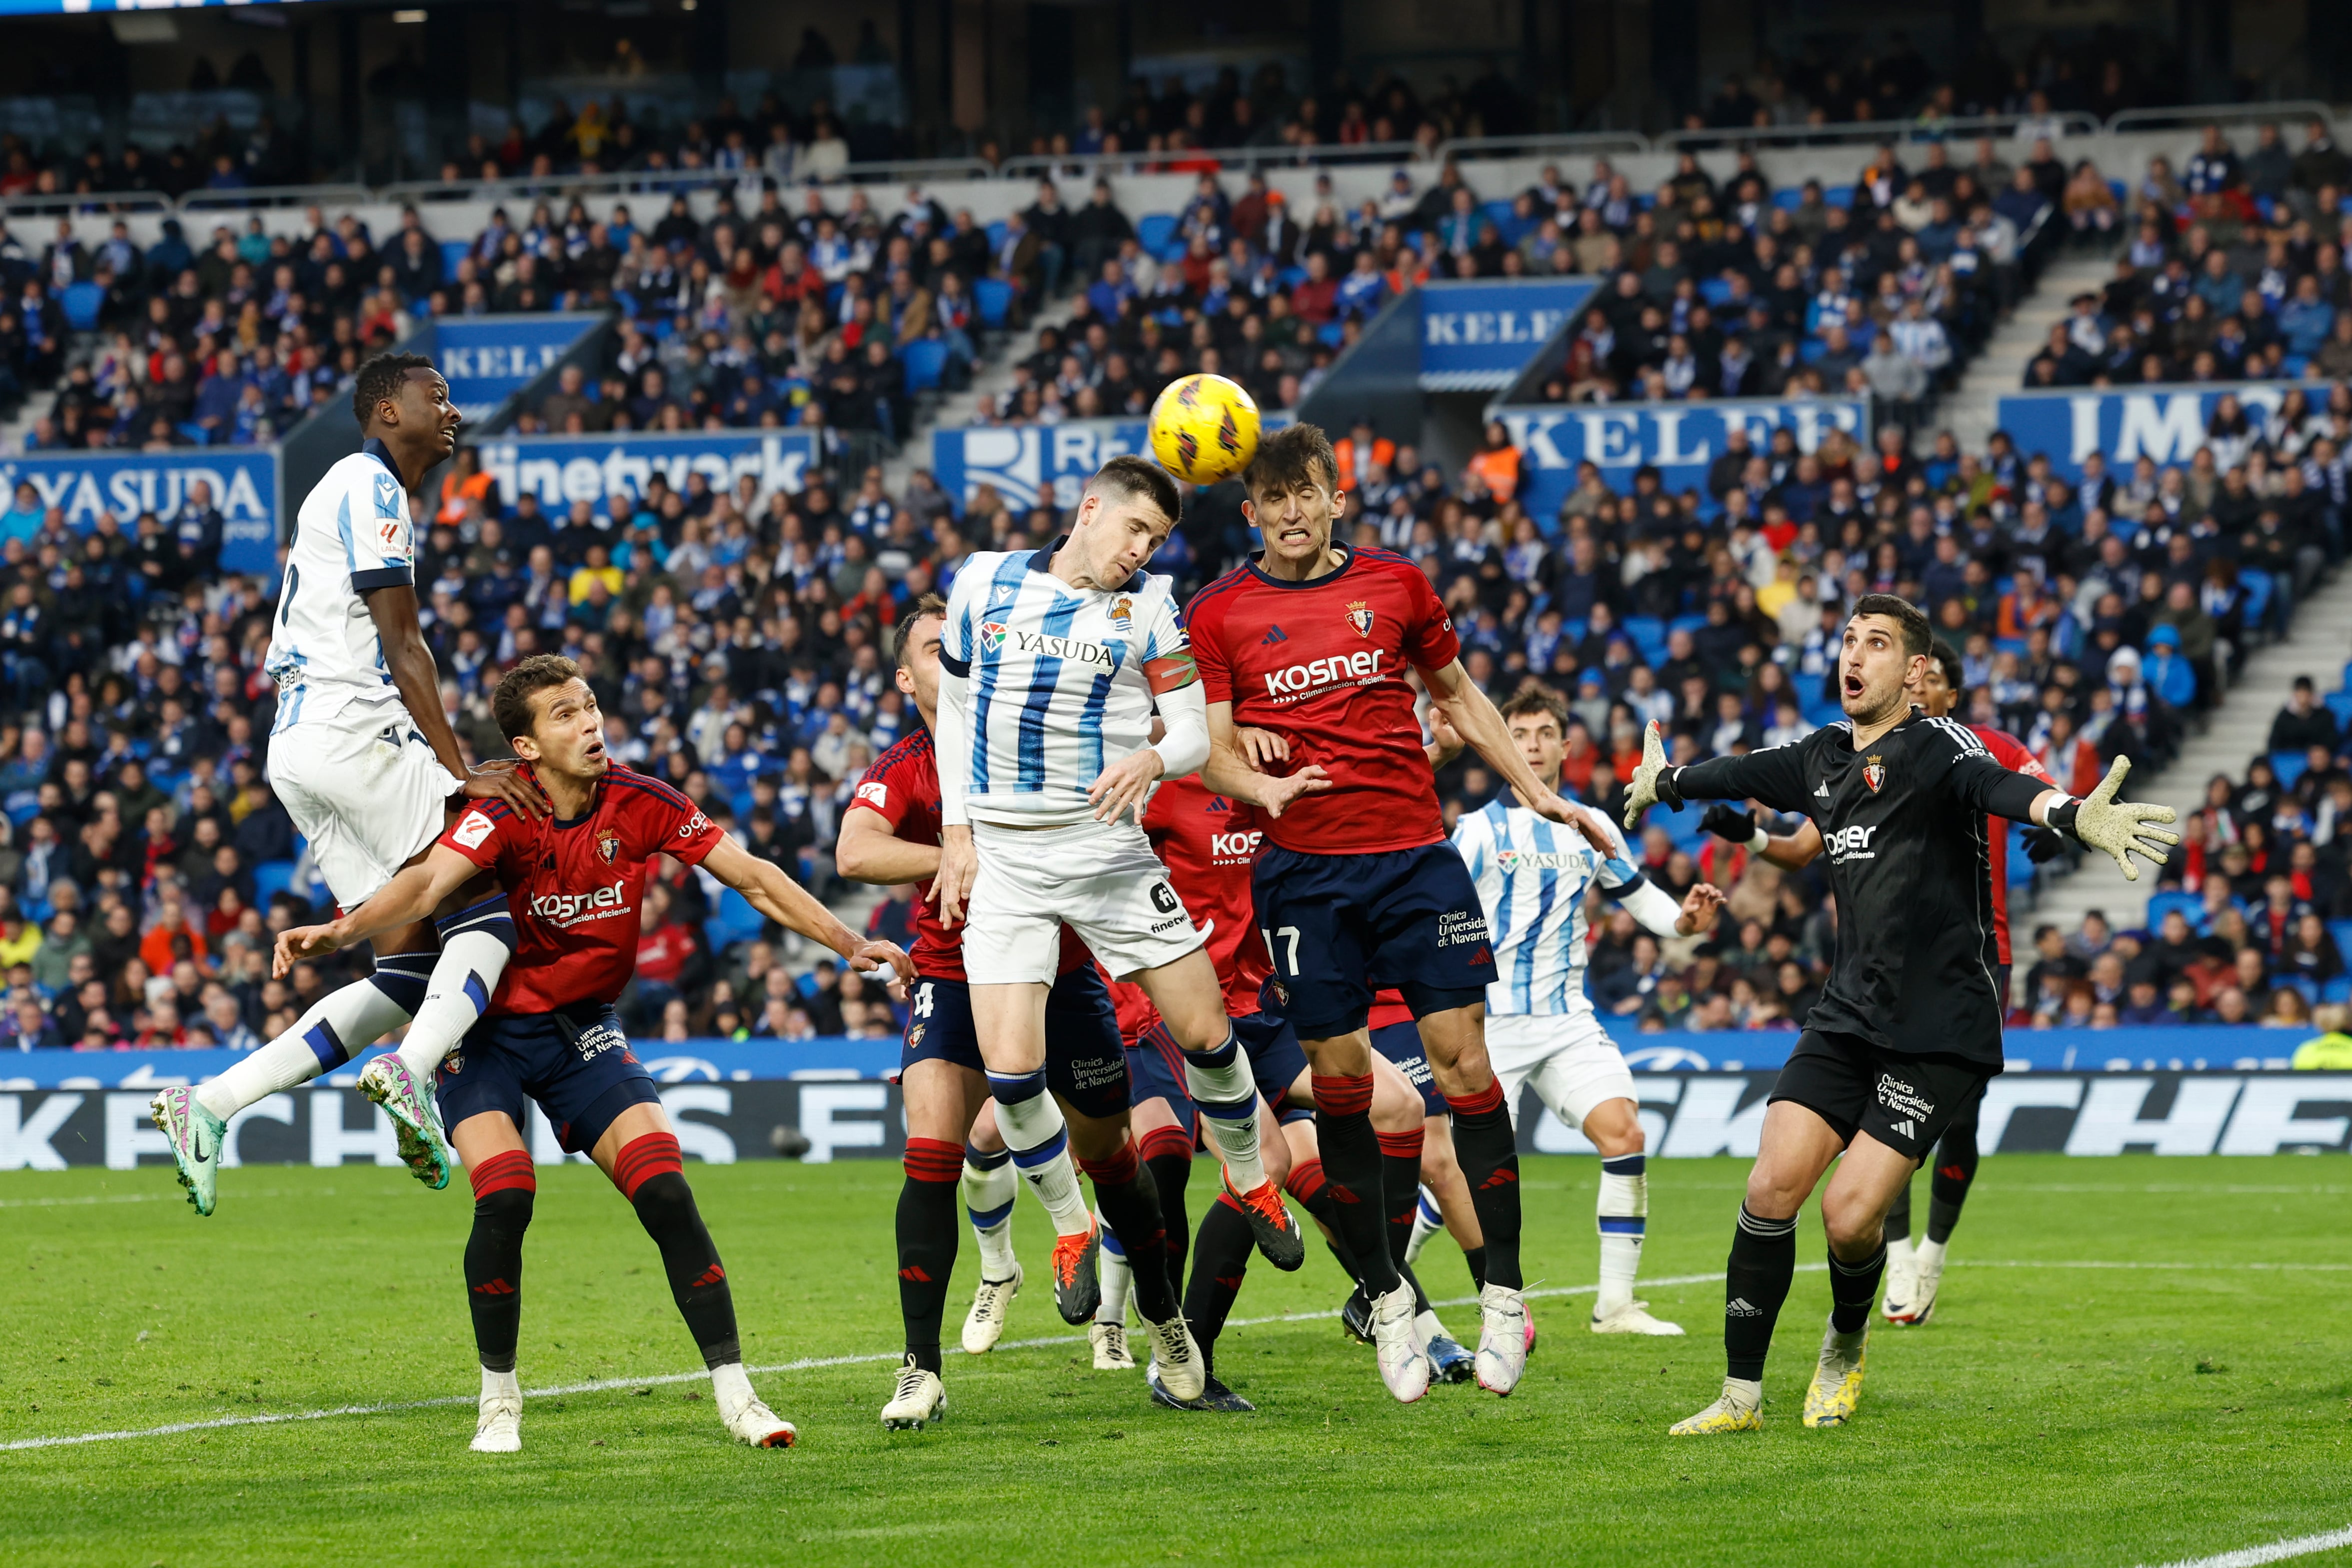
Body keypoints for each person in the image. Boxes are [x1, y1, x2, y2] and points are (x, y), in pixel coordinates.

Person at [273, 654, 906, 1452]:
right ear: (527, 747)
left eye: (591, 707)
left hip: (582, 1030)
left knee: (667, 1190)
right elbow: (429, 886)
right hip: (487, 1036)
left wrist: (848, 943)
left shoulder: (641, 802)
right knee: (505, 1196)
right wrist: (342, 930)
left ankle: (739, 1396)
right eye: (565, 716)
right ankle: (498, 1399)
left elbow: (752, 877)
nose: (591, 724)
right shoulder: (502, 813)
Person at [1619, 593, 2175, 1435]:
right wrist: (1665, 781)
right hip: (1847, 1014)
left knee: (1849, 1216)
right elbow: (1735, 772)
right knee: (1770, 1187)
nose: (1854, 654)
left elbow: (1998, 783)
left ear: (1914, 671)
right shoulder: (1820, 755)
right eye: (1848, 640)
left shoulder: (1937, 745)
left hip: (1939, 1027)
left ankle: (1845, 1341)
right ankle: (1740, 1396)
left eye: (1875, 643)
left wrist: (2071, 814)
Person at [1183, 421, 1604, 1401]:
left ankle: (1502, 1290)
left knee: (1466, 1067)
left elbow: (1459, 692)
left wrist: (1534, 791)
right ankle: (1386, 1294)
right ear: (1252, 512)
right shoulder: (1219, 614)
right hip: (1305, 878)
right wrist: (1259, 786)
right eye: (1272, 499)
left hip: (1416, 861)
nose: (1291, 513)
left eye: (1307, 493)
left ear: (1337, 498)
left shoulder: (1399, 585)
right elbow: (1208, 746)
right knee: (1343, 1092)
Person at [928, 456, 1323, 1409]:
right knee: (1015, 1076)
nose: (1141, 551)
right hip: (1011, 864)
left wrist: (1153, 752)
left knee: (1204, 1033)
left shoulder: (1150, 608)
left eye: (1157, 541)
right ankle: (1068, 1224)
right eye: (1134, 531)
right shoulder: (982, 580)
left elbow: (1193, 733)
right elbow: (952, 705)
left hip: (1108, 852)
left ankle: (1250, 1177)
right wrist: (956, 829)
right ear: (1090, 509)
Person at [150, 353, 545, 1217]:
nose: (451, 411)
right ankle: (408, 1073)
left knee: (405, 965)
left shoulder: (354, 491)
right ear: (384, 410)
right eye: (433, 396)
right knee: (483, 903)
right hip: (353, 725)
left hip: (296, 746)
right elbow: (405, 648)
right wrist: (457, 768)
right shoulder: (370, 487)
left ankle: (208, 1104)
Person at [835, 594, 1178, 1429]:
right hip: (952, 975)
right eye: (931, 645)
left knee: (1114, 1157)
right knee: (930, 1149)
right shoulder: (909, 763)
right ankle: (921, 1367)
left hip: (1061, 973)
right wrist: (953, 851)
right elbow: (854, 849)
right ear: (907, 673)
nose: (951, 656)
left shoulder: (1031, 738)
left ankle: (1167, 1329)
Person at [1698, 638, 2057, 1325]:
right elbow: (1805, 847)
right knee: (1876, 1131)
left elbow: (2044, 794)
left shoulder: (1986, 746)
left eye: (1934, 681)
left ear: (1944, 689)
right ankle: (1893, 1252)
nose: (1919, 692)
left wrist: (2059, 824)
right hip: (1875, 972)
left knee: (1958, 1118)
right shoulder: (1861, 754)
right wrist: (1746, 838)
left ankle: (1932, 1251)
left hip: (1977, 961)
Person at [1111, 767, 1464, 1410]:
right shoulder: (1166, 785)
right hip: (1186, 1010)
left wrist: (1429, 752)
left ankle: (1377, 1286)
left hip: (1265, 1007)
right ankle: (1185, 1359)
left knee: (1400, 1105)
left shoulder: (1276, 777)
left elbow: (1353, 794)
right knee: (1267, 1163)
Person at [1446, 685, 1726, 1335]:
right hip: (1492, 1026)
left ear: (1567, 746)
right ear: (1499, 743)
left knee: (1624, 1135)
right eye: (1519, 733)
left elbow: (1646, 902)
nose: (1534, 745)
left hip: (1567, 1021)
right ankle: (1388, 1285)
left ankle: (1616, 1305)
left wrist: (1685, 922)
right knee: (1458, 1174)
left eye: (1545, 733)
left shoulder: (1589, 825)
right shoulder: (1475, 832)